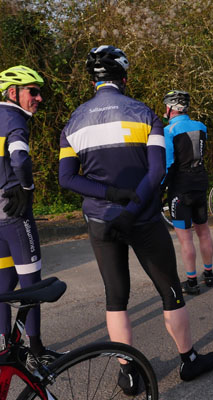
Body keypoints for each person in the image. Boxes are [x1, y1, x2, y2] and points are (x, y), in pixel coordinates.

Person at [58, 46, 213, 393]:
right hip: (142, 218)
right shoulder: (145, 114)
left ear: (94, 82)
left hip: (101, 220)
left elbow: (66, 178)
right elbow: (156, 171)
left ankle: (128, 373)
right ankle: (189, 359)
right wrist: (130, 211)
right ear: (125, 79)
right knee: (170, 291)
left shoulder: (74, 120)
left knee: (115, 298)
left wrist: (110, 194)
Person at [0, 65, 63, 368]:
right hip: (15, 215)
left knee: (2, 284)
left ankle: (5, 346)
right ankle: (36, 350)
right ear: (13, 93)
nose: (39, 98)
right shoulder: (15, 119)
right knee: (32, 283)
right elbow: (19, 158)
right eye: (33, 91)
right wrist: (27, 187)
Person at [162, 90, 213, 295]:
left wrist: (159, 190)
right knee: (204, 231)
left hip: (180, 187)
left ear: (171, 108)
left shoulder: (169, 131)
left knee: (185, 238)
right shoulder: (201, 126)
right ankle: (209, 273)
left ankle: (192, 282)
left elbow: (168, 164)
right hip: (200, 182)